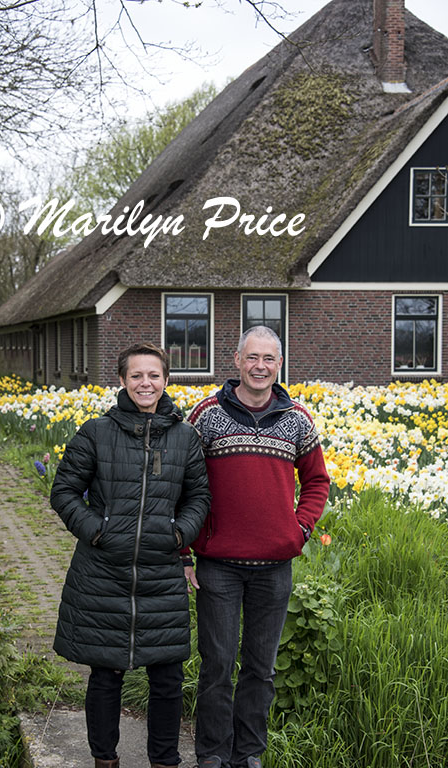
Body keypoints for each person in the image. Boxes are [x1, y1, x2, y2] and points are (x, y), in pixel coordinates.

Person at [51, 342, 210, 768]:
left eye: (153, 375)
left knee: (168, 676)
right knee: (106, 673)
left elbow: (199, 497)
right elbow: (64, 491)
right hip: (105, 572)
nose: (145, 383)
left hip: (161, 573)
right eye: (136, 375)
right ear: (122, 380)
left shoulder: (184, 437)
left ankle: (164, 760)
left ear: (166, 381)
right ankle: (105, 760)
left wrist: (180, 534)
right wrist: (97, 532)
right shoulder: (96, 432)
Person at [183, 326, 330, 768]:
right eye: (252, 358)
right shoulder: (206, 415)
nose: (260, 366)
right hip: (218, 565)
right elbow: (183, 484)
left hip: (274, 566)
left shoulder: (297, 420)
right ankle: (211, 753)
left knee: (260, 670)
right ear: (237, 361)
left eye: (268, 359)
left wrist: (298, 529)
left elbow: (318, 481)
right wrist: (185, 550)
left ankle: (248, 754)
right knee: (216, 666)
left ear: (279, 365)